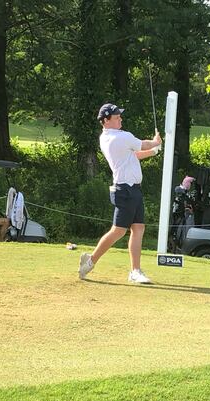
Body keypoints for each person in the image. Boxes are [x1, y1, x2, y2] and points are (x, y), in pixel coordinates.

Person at [78, 103, 162, 283]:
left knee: (138, 228)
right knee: (118, 231)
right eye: (116, 117)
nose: (120, 119)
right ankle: (91, 261)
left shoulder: (109, 137)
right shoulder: (120, 137)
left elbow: (134, 155)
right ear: (106, 121)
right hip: (125, 190)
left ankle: (135, 271)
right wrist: (156, 142)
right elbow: (142, 145)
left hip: (134, 189)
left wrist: (153, 151)